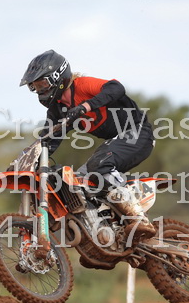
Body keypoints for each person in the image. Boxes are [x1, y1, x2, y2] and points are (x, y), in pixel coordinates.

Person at [19, 49, 156, 237]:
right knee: (78, 182)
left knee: (98, 165)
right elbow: (48, 139)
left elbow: (116, 88)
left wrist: (85, 106)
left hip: (138, 132)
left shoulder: (82, 85)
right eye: (36, 86)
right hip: (115, 140)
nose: (40, 90)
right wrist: (27, 159)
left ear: (58, 77)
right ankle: (107, 229)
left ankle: (138, 218)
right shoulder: (58, 109)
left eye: (42, 84)